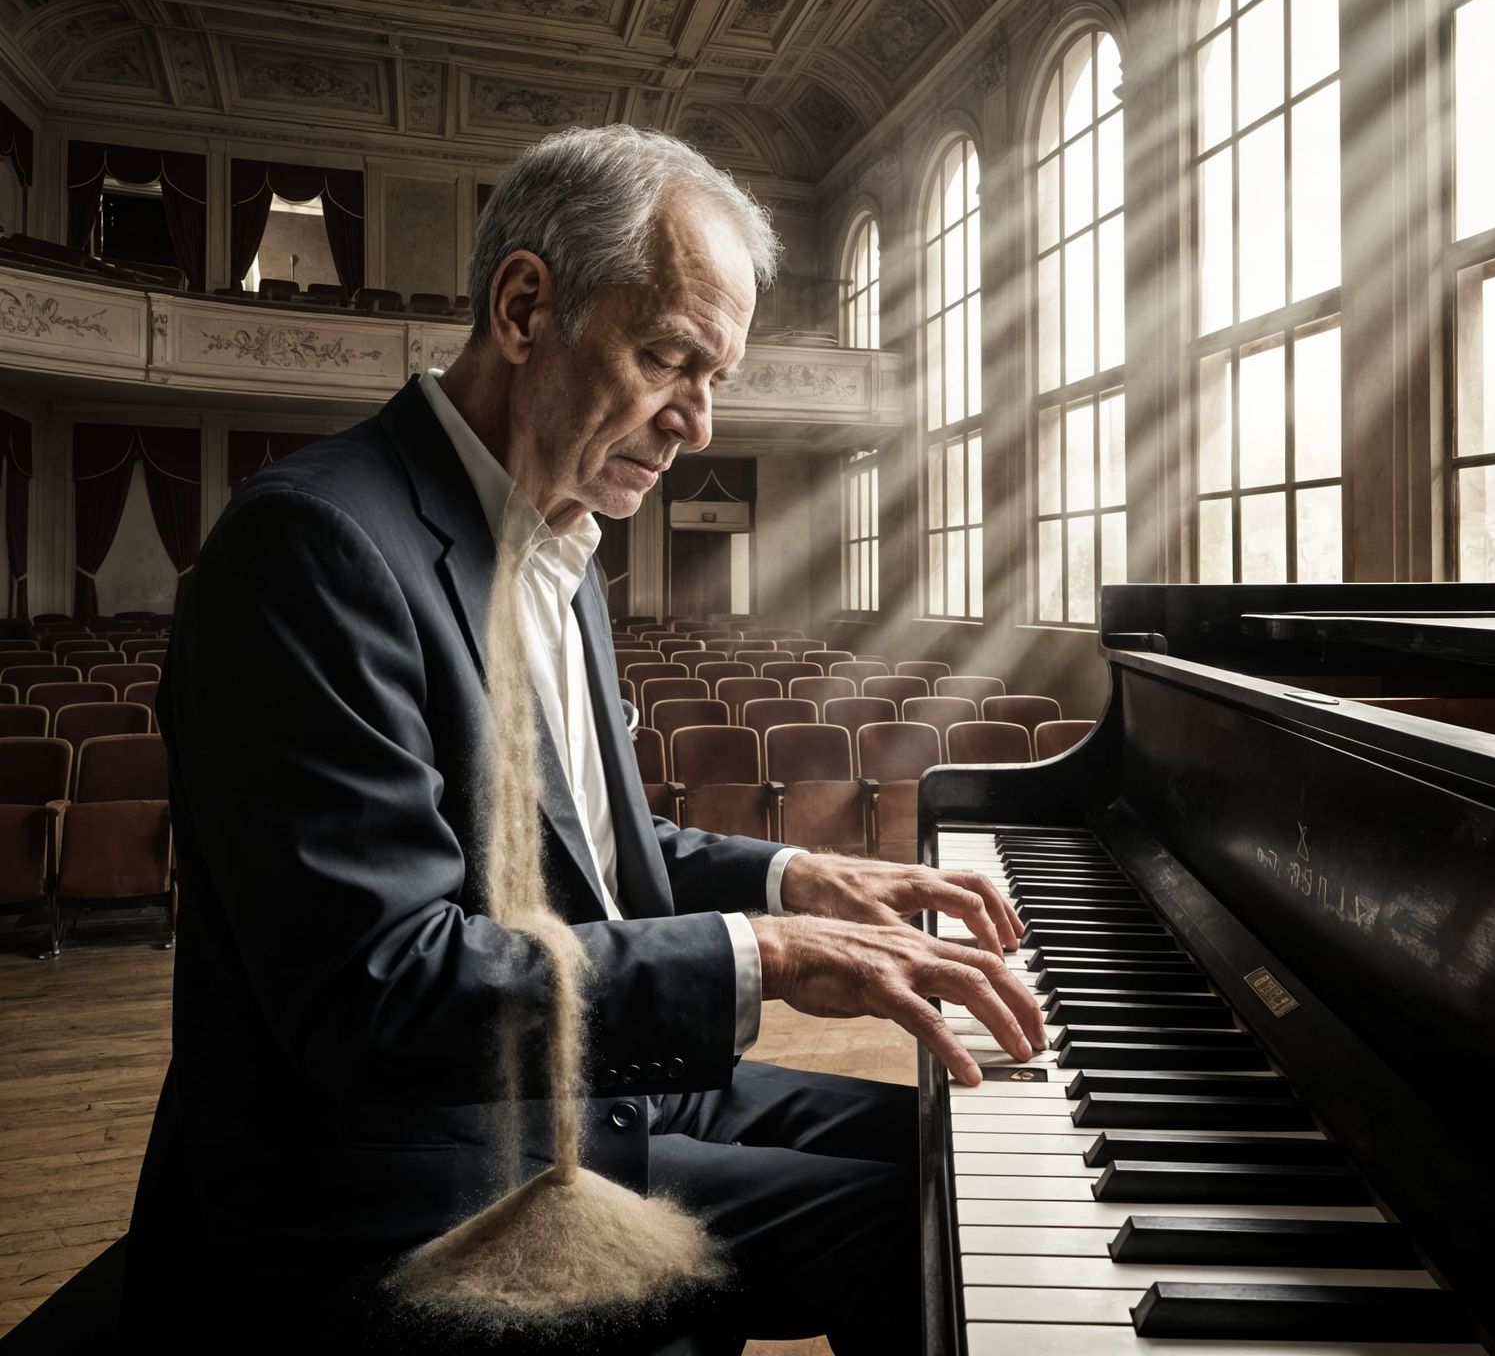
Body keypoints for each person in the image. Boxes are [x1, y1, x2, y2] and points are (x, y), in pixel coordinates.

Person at [119, 126, 1044, 1354]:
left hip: (583, 1091)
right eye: (671, 358)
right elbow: (378, 988)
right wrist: (762, 953)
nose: (698, 425)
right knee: (925, 1232)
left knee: (975, 1154)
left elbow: (589, 856)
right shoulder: (313, 548)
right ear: (522, 307)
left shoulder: (554, 540)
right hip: (414, 1179)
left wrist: (792, 875)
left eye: (715, 378)